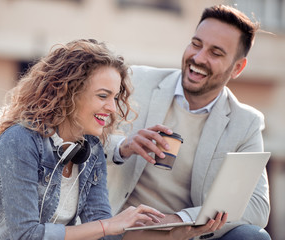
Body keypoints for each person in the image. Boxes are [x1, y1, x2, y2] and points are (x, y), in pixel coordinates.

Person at [0, 39, 225, 240]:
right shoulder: (20, 141)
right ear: (67, 93)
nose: (113, 108)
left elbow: (104, 233)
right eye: (103, 96)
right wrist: (110, 225)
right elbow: (27, 234)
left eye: (115, 98)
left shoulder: (90, 150)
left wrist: (179, 234)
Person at [105, 5, 271, 240]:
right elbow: (84, 139)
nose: (198, 57)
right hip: (119, 228)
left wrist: (181, 219)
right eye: (196, 44)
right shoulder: (135, 81)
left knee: (253, 236)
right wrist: (123, 147)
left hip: (183, 235)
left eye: (215, 53)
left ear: (237, 68)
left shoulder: (245, 123)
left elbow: (257, 206)